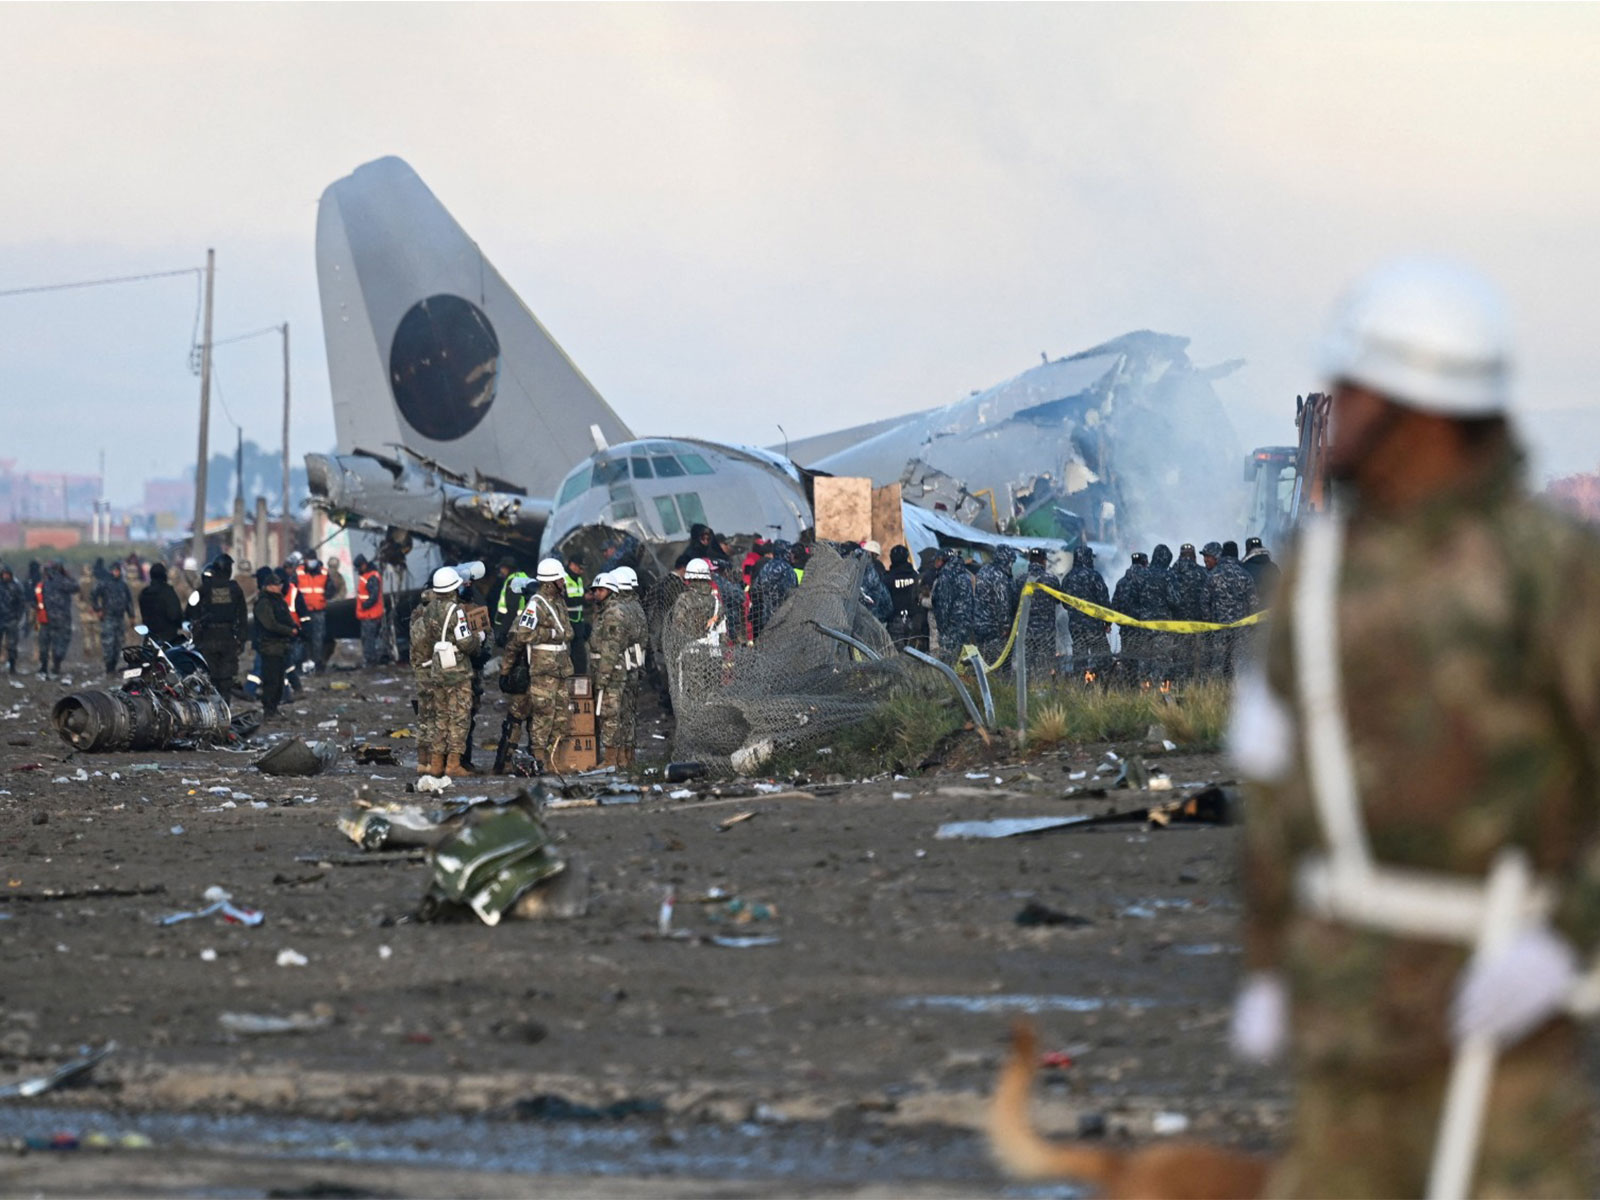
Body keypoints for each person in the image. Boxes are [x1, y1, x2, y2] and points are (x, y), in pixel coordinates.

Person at [1230, 258, 1600, 1197]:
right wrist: (1270, 959)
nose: (1336, 419)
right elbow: (1278, 789)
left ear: (1422, 411)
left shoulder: (1548, 573)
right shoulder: (1320, 580)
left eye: (1356, 393)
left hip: (1500, 1007)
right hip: (1349, 1019)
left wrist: (1567, 936)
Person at [408, 565, 484, 777]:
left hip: (438, 667)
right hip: (457, 670)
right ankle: (453, 764)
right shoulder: (456, 611)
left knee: (440, 717)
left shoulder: (429, 609)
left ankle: (436, 764)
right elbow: (466, 643)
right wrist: (478, 639)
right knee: (459, 717)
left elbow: (430, 638)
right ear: (454, 588)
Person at [498, 558, 573, 774]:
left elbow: (568, 632)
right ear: (551, 581)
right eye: (560, 578)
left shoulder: (558, 603)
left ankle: (555, 760)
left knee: (561, 717)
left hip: (560, 668)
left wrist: (557, 634)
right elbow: (523, 634)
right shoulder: (536, 604)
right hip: (542, 669)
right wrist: (551, 634)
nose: (563, 581)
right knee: (543, 715)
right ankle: (539, 759)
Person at [188, 554, 248, 698]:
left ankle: (213, 710)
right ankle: (224, 709)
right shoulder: (235, 589)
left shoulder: (204, 588)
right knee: (226, 680)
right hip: (228, 638)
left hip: (208, 638)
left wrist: (195, 630)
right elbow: (242, 616)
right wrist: (241, 638)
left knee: (210, 677)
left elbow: (191, 608)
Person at [665, 558, 726, 698]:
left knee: (692, 698)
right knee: (712, 695)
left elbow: (677, 630)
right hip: (713, 655)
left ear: (689, 578)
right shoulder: (716, 601)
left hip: (691, 655)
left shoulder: (684, 599)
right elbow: (723, 632)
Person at [609, 566, 649, 762]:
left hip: (621, 664)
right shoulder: (638, 608)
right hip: (634, 662)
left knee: (616, 712)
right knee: (630, 712)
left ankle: (618, 758)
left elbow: (615, 642)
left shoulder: (619, 611)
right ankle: (628, 755)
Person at [1202, 540, 1258, 679]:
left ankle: (1215, 692)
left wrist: (1210, 623)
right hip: (1241, 629)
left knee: (1218, 662)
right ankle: (1239, 694)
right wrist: (1250, 625)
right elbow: (1254, 603)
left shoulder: (1213, 575)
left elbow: (1204, 602)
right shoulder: (1245, 575)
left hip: (1217, 628)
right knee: (1240, 662)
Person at [252, 567, 298, 718]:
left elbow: (286, 618)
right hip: (270, 646)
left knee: (279, 680)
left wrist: (294, 628)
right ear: (269, 586)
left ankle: (274, 708)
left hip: (281, 646)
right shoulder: (264, 602)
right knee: (271, 681)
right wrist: (288, 631)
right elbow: (270, 624)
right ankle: (269, 710)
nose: (280, 586)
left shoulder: (279, 601)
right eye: (277, 584)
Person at [1060, 543, 1111, 678]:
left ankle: (1078, 683)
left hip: (1075, 625)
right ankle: (1103, 684)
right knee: (1102, 656)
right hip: (1093, 625)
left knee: (1079, 656)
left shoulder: (1068, 578)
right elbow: (1104, 601)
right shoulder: (1094, 576)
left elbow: (1064, 603)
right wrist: (1108, 622)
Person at [1166, 543, 1209, 679]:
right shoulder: (1203, 573)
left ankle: (1180, 686)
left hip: (1177, 625)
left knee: (1179, 658)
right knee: (1198, 659)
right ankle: (1196, 689)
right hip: (1199, 625)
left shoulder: (1171, 573)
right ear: (1194, 556)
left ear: (1180, 556)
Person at [973, 546, 1019, 665]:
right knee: (1000, 664)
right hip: (994, 628)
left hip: (979, 625)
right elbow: (1002, 603)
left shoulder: (983, 570)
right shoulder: (999, 576)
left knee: (984, 663)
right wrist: (1006, 627)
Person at [1020, 547, 1062, 679]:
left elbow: (1015, 601)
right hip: (1046, 633)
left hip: (1025, 631)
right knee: (1044, 667)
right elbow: (1058, 601)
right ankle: (1042, 692)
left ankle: (1025, 692)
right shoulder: (1051, 580)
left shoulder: (1021, 579)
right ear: (1043, 561)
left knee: (1025, 666)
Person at [1111, 552, 1151, 680]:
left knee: (1128, 662)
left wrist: (1122, 623)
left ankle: (1129, 689)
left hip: (1127, 630)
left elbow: (1114, 606)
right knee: (1145, 660)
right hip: (1146, 629)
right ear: (1145, 563)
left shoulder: (1121, 582)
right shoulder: (1148, 580)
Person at [929, 551, 975, 662]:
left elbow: (943, 606)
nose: (935, 563)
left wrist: (943, 628)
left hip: (951, 627)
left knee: (949, 663)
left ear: (943, 560)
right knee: (963, 661)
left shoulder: (946, 576)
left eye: (937, 560)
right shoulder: (964, 574)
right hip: (966, 625)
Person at [90, 561, 134, 674]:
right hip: (108, 617)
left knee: (118, 643)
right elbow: (93, 595)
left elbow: (128, 601)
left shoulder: (123, 585)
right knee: (108, 643)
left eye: (118, 570)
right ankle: (109, 667)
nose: (116, 573)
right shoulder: (104, 583)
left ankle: (114, 666)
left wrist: (131, 615)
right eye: (115, 570)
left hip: (120, 617)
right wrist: (98, 609)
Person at [39, 562, 79, 679]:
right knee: (60, 643)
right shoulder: (63, 581)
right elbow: (76, 587)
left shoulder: (44, 583)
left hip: (46, 618)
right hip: (62, 619)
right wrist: (67, 575)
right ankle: (56, 665)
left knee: (45, 643)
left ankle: (44, 667)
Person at [295, 558, 329, 678]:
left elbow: (330, 589)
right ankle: (303, 662)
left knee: (318, 638)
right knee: (304, 637)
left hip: (318, 611)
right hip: (303, 611)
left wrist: (323, 598)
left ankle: (317, 663)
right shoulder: (299, 572)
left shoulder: (324, 573)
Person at [885, 544, 924, 650]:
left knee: (896, 651)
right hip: (913, 619)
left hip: (895, 619)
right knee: (912, 652)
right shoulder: (915, 576)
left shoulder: (888, 578)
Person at [138, 562, 184, 644]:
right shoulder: (167, 592)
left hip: (150, 637)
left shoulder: (145, 593)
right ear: (164, 575)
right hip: (168, 638)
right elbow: (174, 614)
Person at [353, 555, 386, 666]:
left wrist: (364, 606)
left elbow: (373, 596)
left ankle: (371, 661)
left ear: (364, 565)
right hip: (367, 614)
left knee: (369, 639)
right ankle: (370, 659)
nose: (358, 570)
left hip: (370, 614)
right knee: (367, 638)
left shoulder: (371, 577)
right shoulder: (368, 575)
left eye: (358, 567)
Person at [1240, 536, 1281, 607]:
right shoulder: (1273, 567)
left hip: (1254, 613)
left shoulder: (1243, 568)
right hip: (1273, 610)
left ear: (1247, 549)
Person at [0, 565, 24, 675]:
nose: (5, 576)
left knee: (12, 645)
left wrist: (17, 617)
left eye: (7, 574)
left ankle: (12, 667)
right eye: (3, 574)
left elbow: (21, 603)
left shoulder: (16, 586)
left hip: (11, 620)